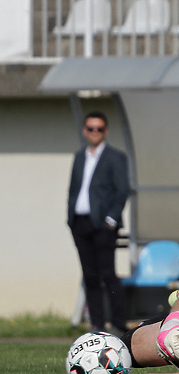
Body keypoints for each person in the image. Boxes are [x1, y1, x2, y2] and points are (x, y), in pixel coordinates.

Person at [67, 111, 130, 336]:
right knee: (89, 275)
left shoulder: (115, 157)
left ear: (106, 131)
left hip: (103, 225)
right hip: (80, 222)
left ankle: (118, 323)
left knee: (107, 274)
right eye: (91, 128)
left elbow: (122, 190)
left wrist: (110, 219)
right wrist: (70, 218)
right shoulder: (80, 156)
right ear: (85, 131)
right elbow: (75, 189)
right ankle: (96, 324)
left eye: (99, 128)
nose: (95, 132)